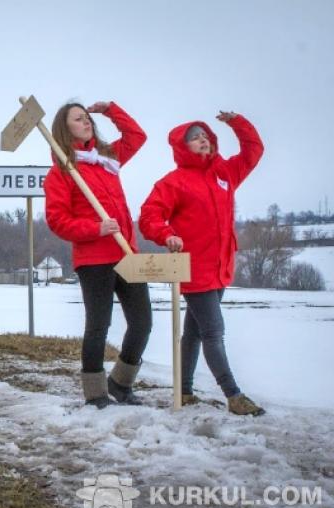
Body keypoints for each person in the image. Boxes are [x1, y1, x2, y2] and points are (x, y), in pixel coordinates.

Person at [139, 111, 266, 416]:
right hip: (193, 269)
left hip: (220, 268)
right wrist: (166, 234)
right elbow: (149, 217)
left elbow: (254, 150)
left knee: (195, 333)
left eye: (205, 135)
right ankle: (233, 394)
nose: (203, 140)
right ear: (183, 147)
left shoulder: (225, 173)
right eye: (195, 137)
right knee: (213, 331)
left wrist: (238, 123)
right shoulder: (174, 182)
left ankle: (183, 391)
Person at [44, 101, 151, 409]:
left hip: (127, 252)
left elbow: (137, 137)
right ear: (65, 129)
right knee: (98, 326)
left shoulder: (107, 159)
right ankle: (95, 393)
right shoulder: (62, 172)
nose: (86, 121)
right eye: (79, 119)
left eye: (87, 117)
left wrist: (111, 110)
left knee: (142, 322)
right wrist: (96, 228)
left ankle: (120, 383)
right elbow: (58, 221)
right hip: (94, 259)